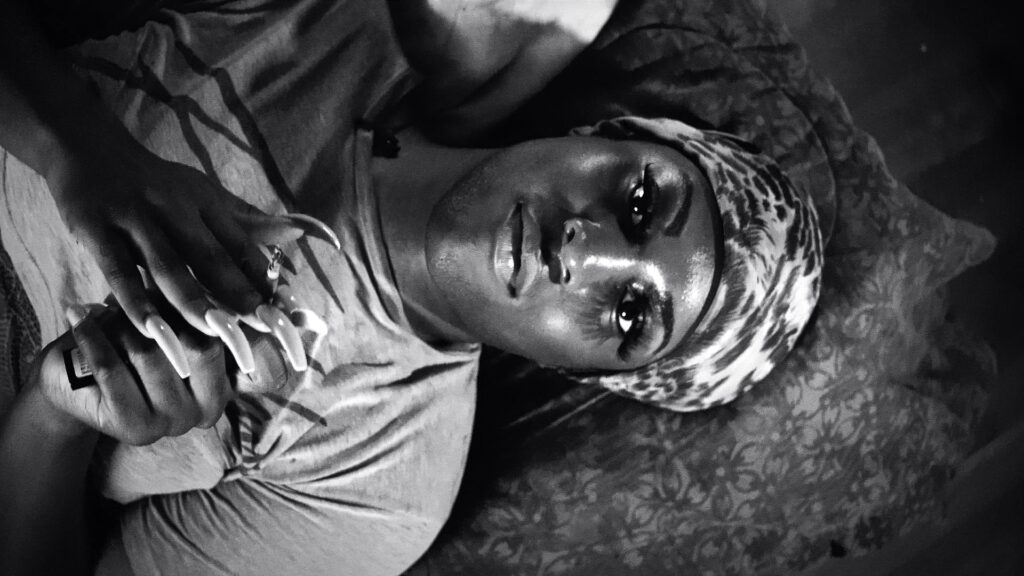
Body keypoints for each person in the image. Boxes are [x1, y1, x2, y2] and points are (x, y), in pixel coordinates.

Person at [0, 0, 822, 575]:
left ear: (582, 370)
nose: (587, 251)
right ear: (598, 135)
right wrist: (80, 150)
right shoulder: (342, 30)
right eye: (640, 200)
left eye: (632, 314)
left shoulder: (385, 490)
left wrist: (56, 414)